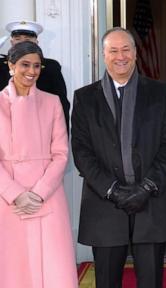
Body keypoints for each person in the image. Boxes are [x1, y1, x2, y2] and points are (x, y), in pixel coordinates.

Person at [71, 27, 166, 288]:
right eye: (113, 50)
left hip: (150, 203)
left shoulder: (160, 93)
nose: (121, 56)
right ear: (104, 55)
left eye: (126, 49)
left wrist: (146, 187)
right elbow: (82, 152)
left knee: (151, 281)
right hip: (104, 205)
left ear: (136, 53)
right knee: (107, 281)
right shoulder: (84, 98)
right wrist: (112, 191)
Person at [0, 41, 77, 287]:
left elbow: (61, 153)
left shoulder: (52, 102)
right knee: (15, 268)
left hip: (48, 196)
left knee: (53, 267)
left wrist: (38, 193)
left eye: (36, 66)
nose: (31, 71)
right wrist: (15, 195)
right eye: (24, 64)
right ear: (11, 66)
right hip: (8, 200)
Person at [0, 20, 70, 131]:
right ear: (11, 42)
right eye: (18, 39)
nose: (22, 44)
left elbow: (62, 106)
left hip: (39, 130)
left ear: (36, 42)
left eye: (27, 40)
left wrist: (60, 137)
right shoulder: (2, 66)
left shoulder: (50, 67)